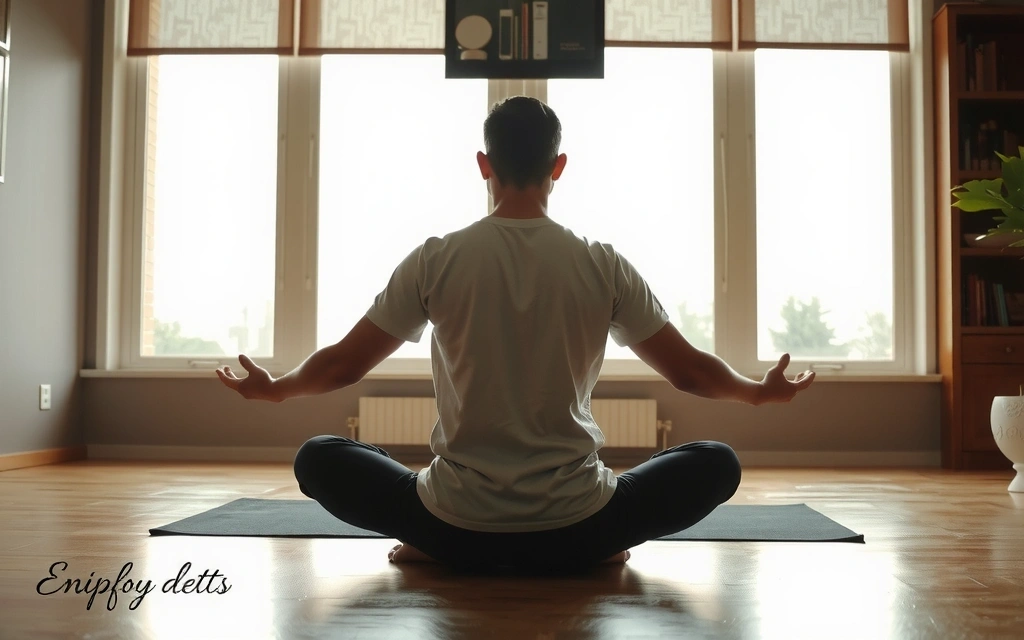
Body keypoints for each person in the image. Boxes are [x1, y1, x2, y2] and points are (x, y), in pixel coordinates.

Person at [216, 96, 815, 572]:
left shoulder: (435, 259)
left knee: (319, 457)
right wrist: (760, 392)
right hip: (582, 525)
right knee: (716, 462)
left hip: (452, 526)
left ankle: (433, 544)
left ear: (484, 164)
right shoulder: (602, 263)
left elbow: (343, 366)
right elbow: (689, 373)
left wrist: (276, 390)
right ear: (558, 167)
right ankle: (589, 552)